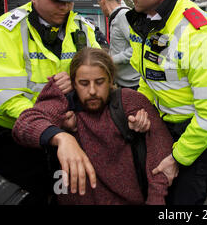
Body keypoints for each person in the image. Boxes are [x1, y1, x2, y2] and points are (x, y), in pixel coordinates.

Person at [114, 0, 207, 205]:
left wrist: (177, 158)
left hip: (195, 136)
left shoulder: (200, 32)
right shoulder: (150, 21)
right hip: (162, 128)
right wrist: (141, 111)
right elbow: (148, 77)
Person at [0, 0, 99, 204]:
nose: (66, 7)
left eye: (69, 0)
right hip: (14, 137)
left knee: (62, 195)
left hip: (64, 132)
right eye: (57, 0)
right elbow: (4, 96)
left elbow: (102, 77)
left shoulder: (83, 28)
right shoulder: (5, 31)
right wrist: (49, 128)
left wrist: (78, 81)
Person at [12, 47, 173, 204]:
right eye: (83, 83)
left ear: (110, 80)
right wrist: (61, 137)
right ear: (73, 83)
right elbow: (24, 124)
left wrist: (156, 198)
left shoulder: (127, 101)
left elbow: (160, 148)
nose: (92, 91)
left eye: (99, 82)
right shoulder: (63, 103)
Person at [97, 0, 140, 90]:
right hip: (125, 82)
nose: (101, 9)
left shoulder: (123, 16)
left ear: (102, 0)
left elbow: (138, 48)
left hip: (132, 84)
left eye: (99, 5)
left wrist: (111, 59)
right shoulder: (117, 16)